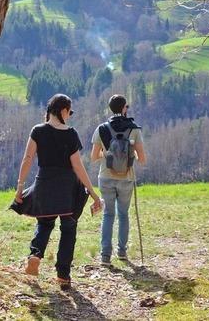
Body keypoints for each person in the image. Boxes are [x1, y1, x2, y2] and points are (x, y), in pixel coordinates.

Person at [13, 94, 101, 290]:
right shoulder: (70, 134)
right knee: (68, 230)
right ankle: (63, 276)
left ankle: (35, 255)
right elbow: (77, 166)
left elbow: (27, 159)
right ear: (63, 111)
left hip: (44, 184)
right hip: (67, 190)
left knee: (44, 224)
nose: (69, 116)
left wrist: (20, 187)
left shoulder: (37, 130)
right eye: (69, 112)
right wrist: (93, 193)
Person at [90, 94, 146, 267]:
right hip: (127, 179)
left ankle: (105, 256)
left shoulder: (102, 129)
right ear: (124, 108)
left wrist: (106, 154)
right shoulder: (134, 129)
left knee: (108, 214)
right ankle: (122, 251)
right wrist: (131, 155)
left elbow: (93, 157)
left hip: (106, 177)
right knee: (123, 214)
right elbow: (142, 159)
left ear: (110, 108)